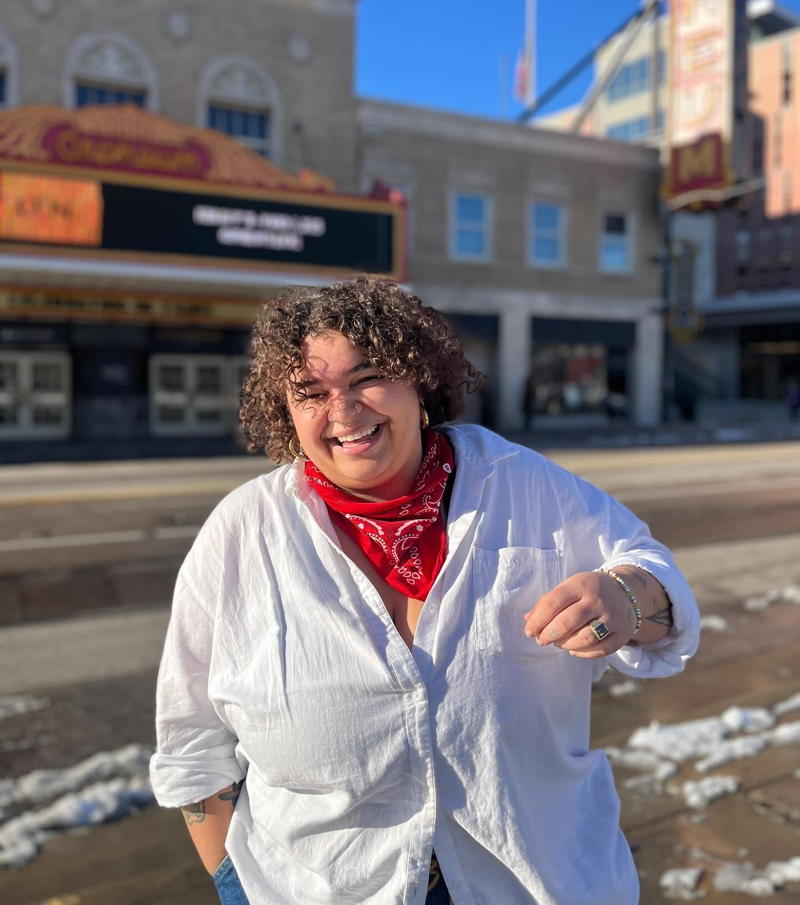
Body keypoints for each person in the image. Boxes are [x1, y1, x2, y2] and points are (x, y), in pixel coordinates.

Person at [150, 277, 699, 905]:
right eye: (311, 392)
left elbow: (662, 593)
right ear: (286, 410)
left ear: (418, 379)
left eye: (367, 378)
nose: (345, 411)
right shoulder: (242, 530)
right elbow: (191, 735)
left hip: (533, 880)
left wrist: (626, 597)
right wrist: (233, 882)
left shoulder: (522, 486)